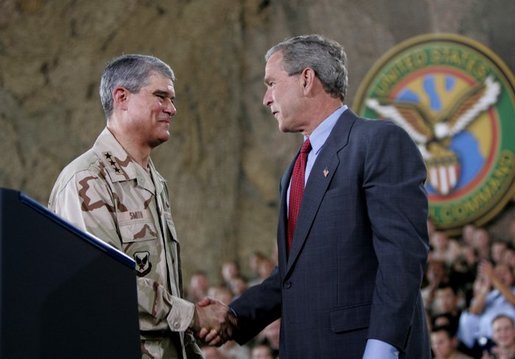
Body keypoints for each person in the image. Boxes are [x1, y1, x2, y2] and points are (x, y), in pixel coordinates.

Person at [201, 34, 430, 358]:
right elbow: (292, 275)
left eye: (271, 83)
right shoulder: (294, 170)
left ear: (307, 79)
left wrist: (382, 348)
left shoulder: (377, 142)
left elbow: (401, 258)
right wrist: (235, 316)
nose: (266, 98)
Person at [48, 54, 232, 358]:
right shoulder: (87, 179)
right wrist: (193, 316)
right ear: (121, 97)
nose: (172, 109)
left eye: (172, 99)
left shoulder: (153, 180)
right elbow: (101, 285)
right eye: (161, 96)